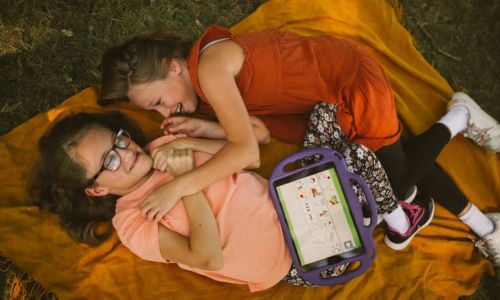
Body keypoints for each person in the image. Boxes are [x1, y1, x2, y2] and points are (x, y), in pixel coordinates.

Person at [96, 27, 500, 261]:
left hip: (345, 84)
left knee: (391, 181)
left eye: (158, 102)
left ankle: (458, 118)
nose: (164, 114)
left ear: (173, 67)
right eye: (156, 112)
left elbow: (248, 152)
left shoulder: (211, 69)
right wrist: (210, 130)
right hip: (310, 107)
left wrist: (177, 187)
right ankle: (484, 226)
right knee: (387, 173)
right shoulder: (203, 91)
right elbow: (260, 134)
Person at [29, 109, 437, 291]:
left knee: (331, 114)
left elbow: (251, 146)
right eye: (110, 160)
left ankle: (392, 204)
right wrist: (182, 181)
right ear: (97, 189)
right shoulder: (133, 221)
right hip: (294, 258)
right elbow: (209, 258)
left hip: (289, 197)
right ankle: (396, 212)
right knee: (366, 161)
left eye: (119, 138)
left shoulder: (166, 145)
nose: (128, 150)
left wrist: (196, 135)